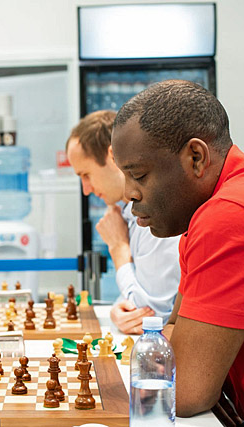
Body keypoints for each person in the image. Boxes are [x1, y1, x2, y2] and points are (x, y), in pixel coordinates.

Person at [111, 80, 244, 426]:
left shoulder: (233, 214)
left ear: (196, 157)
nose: (128, 194)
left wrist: (174, 347)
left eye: (139, 175)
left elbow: (185, 390)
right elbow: (171, 327)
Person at [66, 110, 180, 334]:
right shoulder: (130, 214)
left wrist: (118, 249)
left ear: (113, 156)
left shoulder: (157, 214)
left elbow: (151, 315)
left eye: (86, 175)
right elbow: (134, 303)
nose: (86, 190)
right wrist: (118, 308)